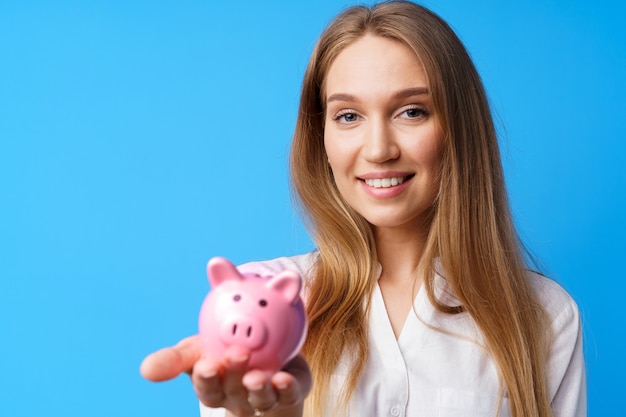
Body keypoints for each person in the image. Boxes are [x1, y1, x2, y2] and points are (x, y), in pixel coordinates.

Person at [140, 1, 586, 416]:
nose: (378, 150)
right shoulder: (261, 302)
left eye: (412, 111)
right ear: (323, 139)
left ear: (459, 129)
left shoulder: (544, 316)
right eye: (348, 116)